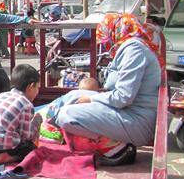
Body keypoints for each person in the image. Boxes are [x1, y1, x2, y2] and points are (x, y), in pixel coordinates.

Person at [53, 13, 163, 166]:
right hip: (126, 112)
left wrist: (92, 99)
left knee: (66, 116)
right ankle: (48, 118)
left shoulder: (134, 49)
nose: (105, 44)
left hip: (136, 121)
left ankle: (118, 149)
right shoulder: (129, 47)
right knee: (73, 95)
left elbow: (123, 97)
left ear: (116, 31)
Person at [0, 64, 41, 166]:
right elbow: (26, 136)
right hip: (2, 148)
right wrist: (36, 123)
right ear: (31, 87)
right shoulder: (27, 105)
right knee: (30, 149)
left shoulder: (1, 95)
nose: (37, 92)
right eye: (38, 88)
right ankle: (4, 158)